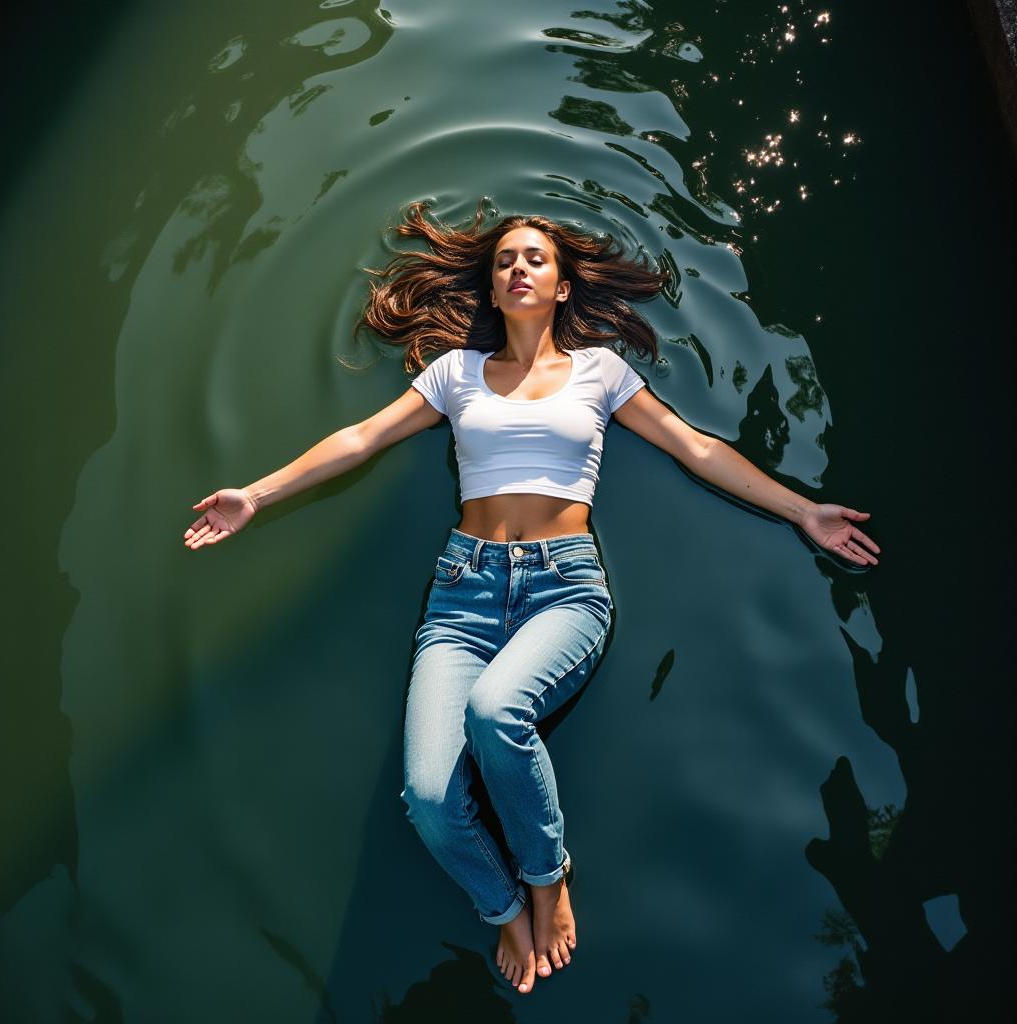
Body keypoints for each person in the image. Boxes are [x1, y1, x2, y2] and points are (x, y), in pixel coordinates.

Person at [183, 201, 880, 996]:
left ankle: (550, 880)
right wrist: (257, 495)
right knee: (429, 800)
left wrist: (802, 510)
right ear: (492, 284)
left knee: (495, 712)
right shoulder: (455, 375)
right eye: (506, 259)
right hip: (463, 592)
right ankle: (504, 905)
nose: (518, 267)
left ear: (559, 285)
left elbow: (695, 448)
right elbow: (362, 439)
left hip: (564, 588)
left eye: (535, 259)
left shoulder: (601, 373)